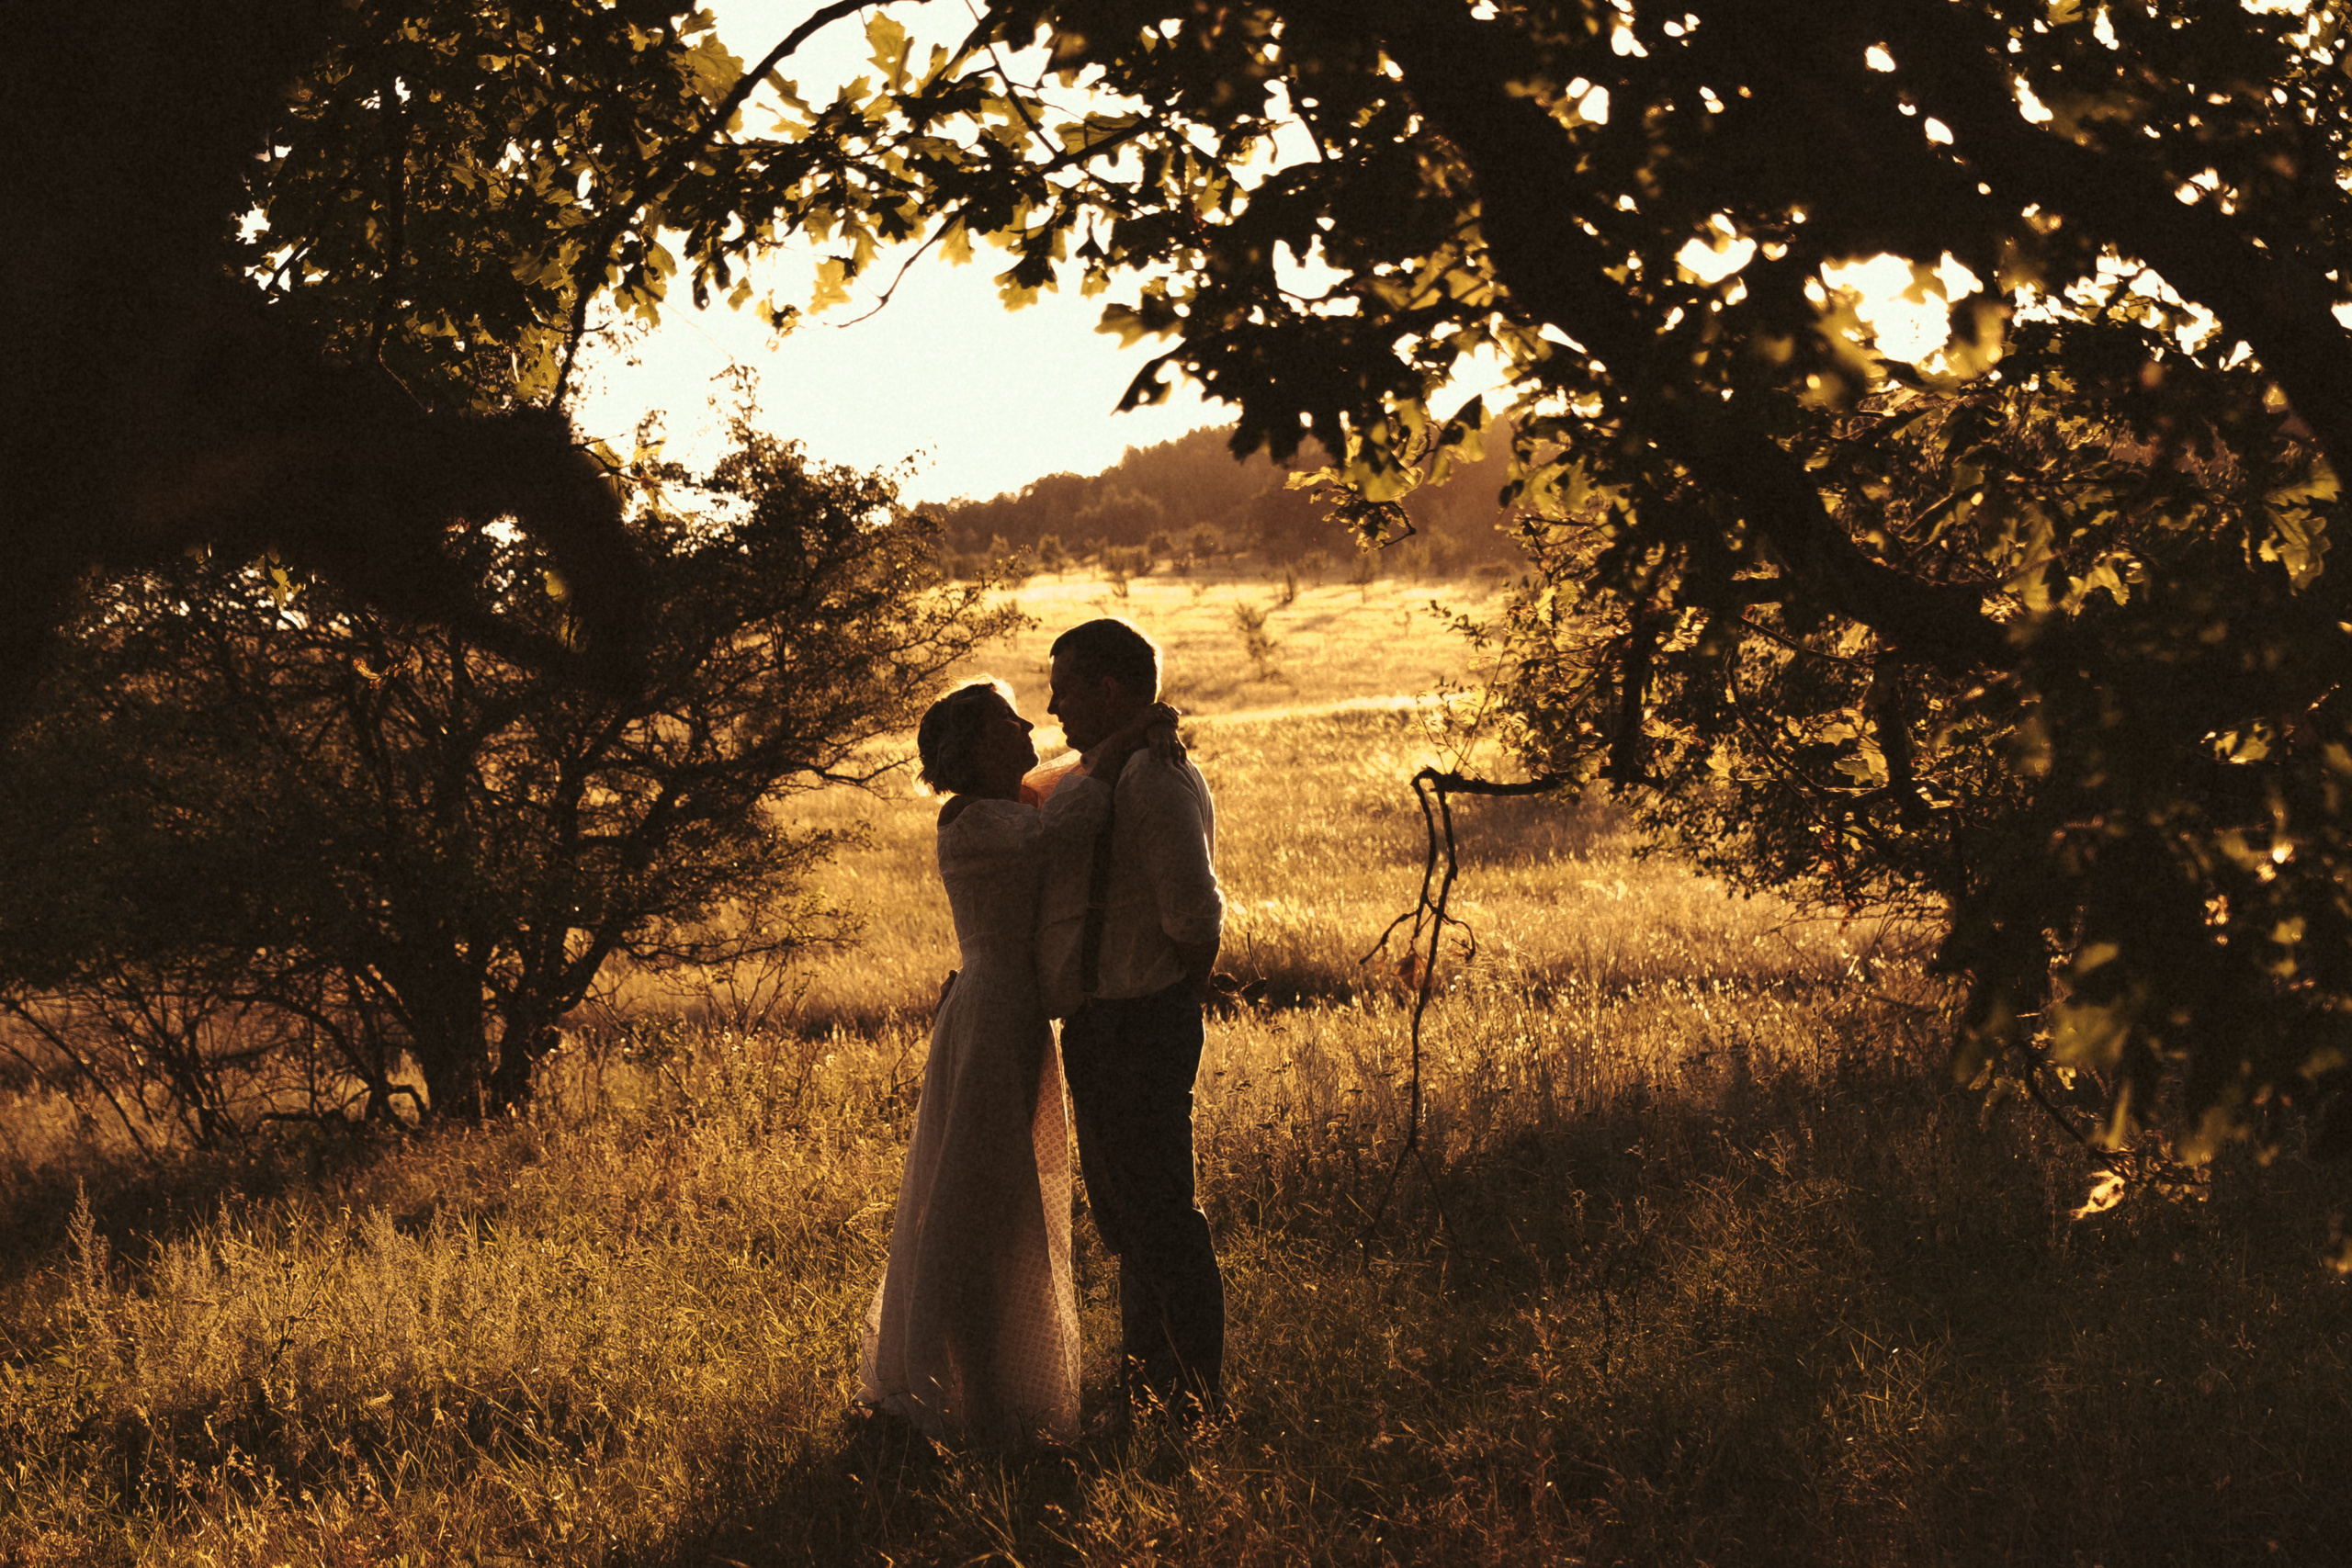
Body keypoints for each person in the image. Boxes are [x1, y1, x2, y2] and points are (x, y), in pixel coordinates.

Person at [856, 678, 1176, 1446]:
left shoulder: (1010, 803)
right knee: (975, 1198)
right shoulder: (972, 819)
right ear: (973, 745)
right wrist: (1128, 737)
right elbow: (1070, 821)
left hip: (1008, 1015)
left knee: (1002, 1196)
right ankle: (948, 1395)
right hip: (995, 1013)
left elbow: (1068, 784)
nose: (1028, 722)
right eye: (1007, 719)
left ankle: (984, 1392)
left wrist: (1119, 741)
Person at [1031, 618, 1227, 1423]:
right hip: (1103, 1023)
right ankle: (1151, 1380)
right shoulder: (1112, 769)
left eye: (1066, 686)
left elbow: (1196, 915)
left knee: (1158, 1213)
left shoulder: (1154, 778)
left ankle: (1193, 1393)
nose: (1053, 705)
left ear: (1109, 690)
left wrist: (1171, 1001)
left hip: (1141, 1020)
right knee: (1126, 1214)